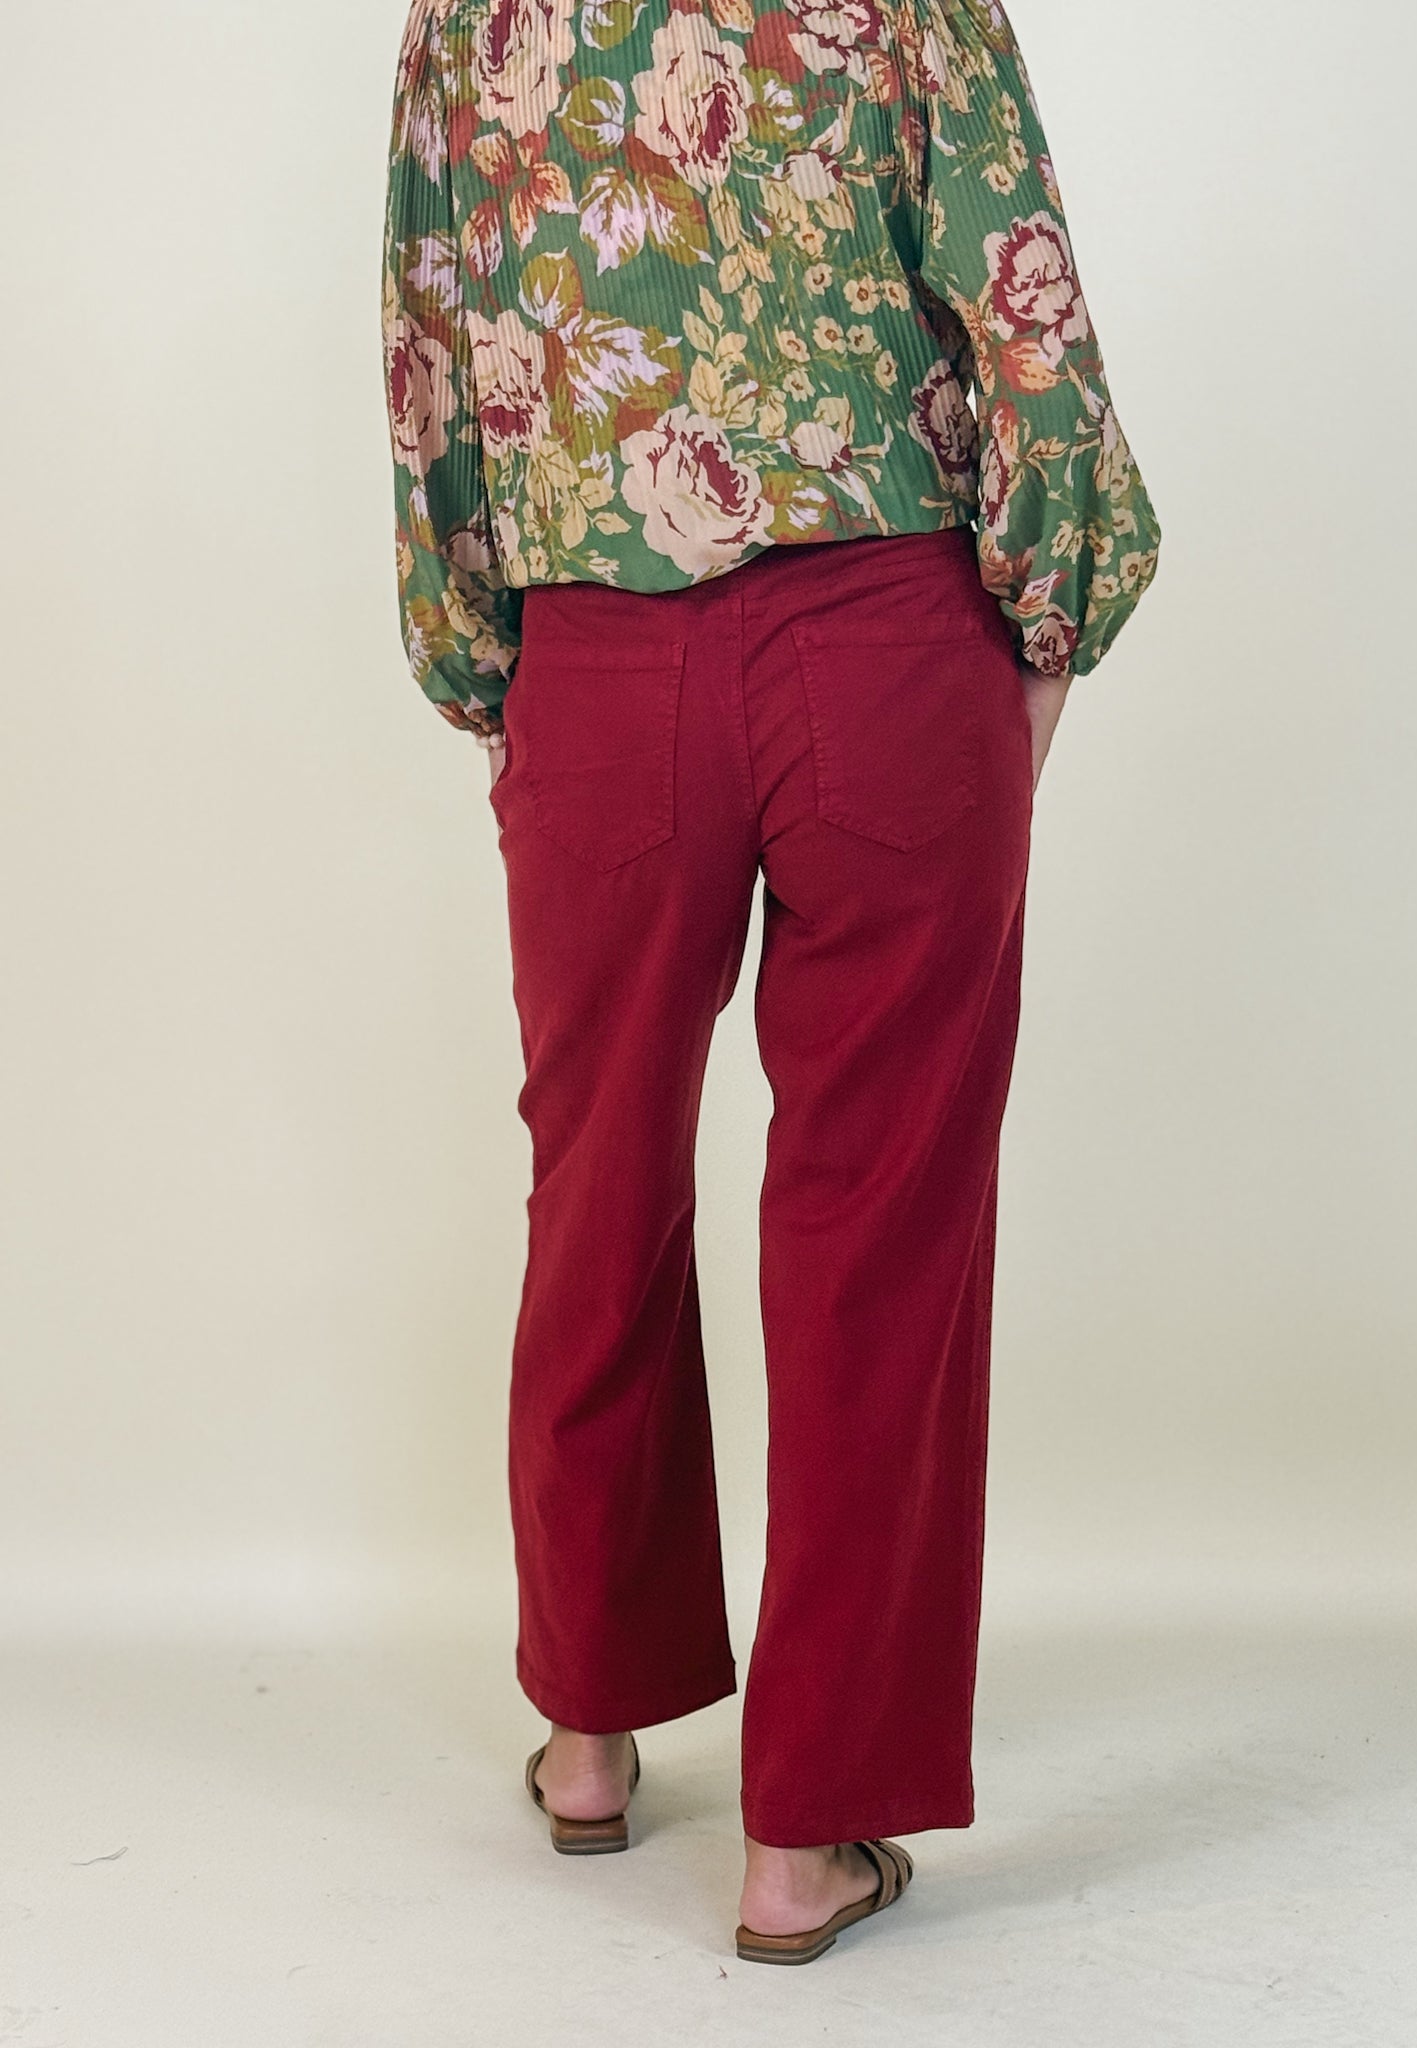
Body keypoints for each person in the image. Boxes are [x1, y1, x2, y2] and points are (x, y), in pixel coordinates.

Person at [381, 0, 1158, 1965]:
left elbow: (432, 347)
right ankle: (805, 1840)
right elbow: (1021, 292)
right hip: (886, 637)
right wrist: (1046, 633)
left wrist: (487, 661)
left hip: (596, 650)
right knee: (881, 1215)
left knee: (598, 1180)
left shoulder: (471, 14)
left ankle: (588, 1731)